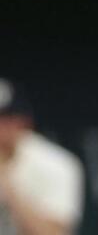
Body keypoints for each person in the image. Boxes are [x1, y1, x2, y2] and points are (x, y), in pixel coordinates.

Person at [0, 79, 84, 235]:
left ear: (22, 121)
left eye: (4, 120)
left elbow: (53, 233)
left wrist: (8, 184)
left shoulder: (55, 164)